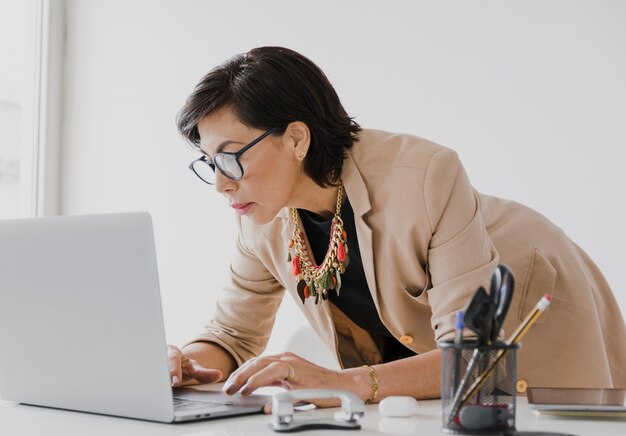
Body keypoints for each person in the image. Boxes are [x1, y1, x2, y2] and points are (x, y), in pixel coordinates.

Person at [168, 46, 626, 410]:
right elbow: (231, 336)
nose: (221, 184)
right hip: (431, 368)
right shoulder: (259, 214)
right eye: (210, 164)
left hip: (531, 304)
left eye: (231, 158)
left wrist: (340, 383)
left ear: (296, 138)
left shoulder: (426, 176)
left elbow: (473, 356)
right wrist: (183, 365)